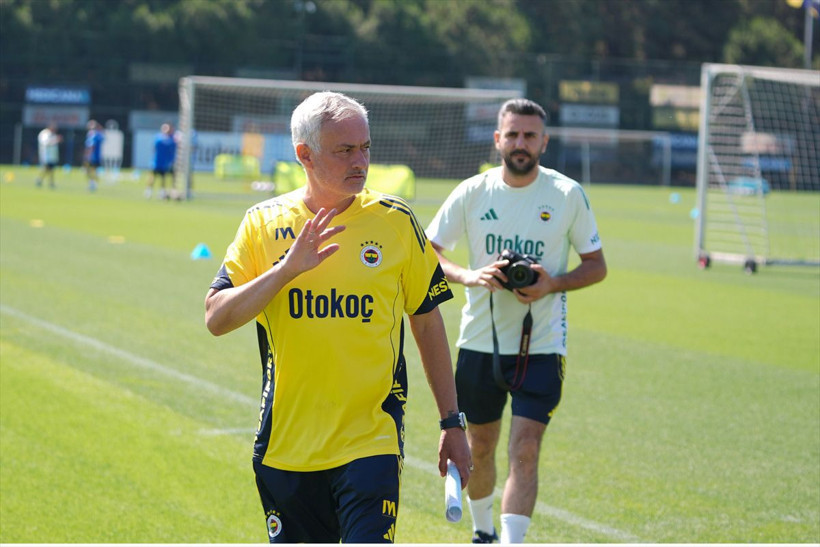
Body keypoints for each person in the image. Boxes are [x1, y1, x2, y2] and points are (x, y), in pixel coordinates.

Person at [204, 91, 471, 543]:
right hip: (286, 447)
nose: (360, 161)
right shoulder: (262, 224)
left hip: (372, 439)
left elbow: (426, 322)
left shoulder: (396, 222)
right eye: (344, 150)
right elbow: (216, 317)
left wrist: (451, 422)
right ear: (304, 154)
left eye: (365, 147)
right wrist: (286, 270)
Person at [425, 98, 607, 543]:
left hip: (542, 344)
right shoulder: (473, 191)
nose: (520, 143)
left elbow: (596, 265)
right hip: (479, 342)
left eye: (530, 135)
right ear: (497, 139)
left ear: (544, 141)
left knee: (525, 449)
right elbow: (428, 251)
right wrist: (470, 275)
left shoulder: (566, 194)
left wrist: (551, 284)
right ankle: (483, 532)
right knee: (481, 447)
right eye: (513, 134)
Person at [145, 122, 178, 200]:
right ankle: (148, 191)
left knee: (163, 177)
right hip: (156, 161)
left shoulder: (172, 139)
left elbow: (173, 150)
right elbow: (155, 147)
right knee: (152, 176)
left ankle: (162, 192)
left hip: (165, 163)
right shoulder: (159, 138)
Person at [36, 123, 62, 189]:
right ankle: (40, 180)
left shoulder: (53, 135)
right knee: (45, 169)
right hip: (46, 156)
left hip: (52, 156)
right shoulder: (44, 134)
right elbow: (45, 143)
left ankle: (50, 183)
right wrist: (55, 140)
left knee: (51, 170)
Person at [83, 119, 104, 192]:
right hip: (97, 156)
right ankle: (93, 183)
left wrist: (87, 155)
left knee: (88, 170)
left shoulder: (92, 134)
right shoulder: (99, 134)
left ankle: (92, 183)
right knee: (92, 171)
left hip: (92, 156)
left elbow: (91, 146)